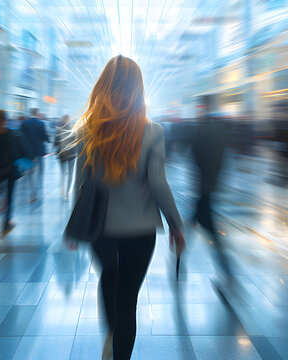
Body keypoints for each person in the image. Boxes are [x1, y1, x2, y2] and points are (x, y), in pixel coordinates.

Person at [73, 55, 184, 360]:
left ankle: (111, 334)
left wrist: (74, 227)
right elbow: (159, 185)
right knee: (128, 299)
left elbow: (80, 186)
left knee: (109, 278)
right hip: (140, 230)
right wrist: (176, 225)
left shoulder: (88, 132)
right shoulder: (153, 132)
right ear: (139, 89)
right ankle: (119, 349)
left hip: (100, 228)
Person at [190, 96, 232, 291]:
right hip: (209, 186)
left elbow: (195, 155)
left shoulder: (203, 129)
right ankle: (178, 263)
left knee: (209, 230)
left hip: (203, 187)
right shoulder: (220, 130)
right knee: (200, 226)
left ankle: (227, 272)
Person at [0, 109, 17, 235]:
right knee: (9, 197)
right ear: (6, 120)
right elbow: (14, 152)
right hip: (9, 171)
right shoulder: (9, 134)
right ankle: (6, 223)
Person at [20, 108, 49, 202]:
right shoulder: (41, 123)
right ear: (37, 113)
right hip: (39, 151)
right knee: (41, 171)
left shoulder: (24, 123)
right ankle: (36, 191)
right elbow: (45, 137)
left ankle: (32, 192)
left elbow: (21, 137)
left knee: (30, 172)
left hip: (28, 152)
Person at [55, 115, 77, 199]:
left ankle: (62, 188)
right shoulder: (73, 129)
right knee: (71, 174)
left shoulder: (58, 130)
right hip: (71, 154)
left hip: (62, 154)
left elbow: (55, 142)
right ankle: (67, 192)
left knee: (63, 173)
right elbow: (76, 142)